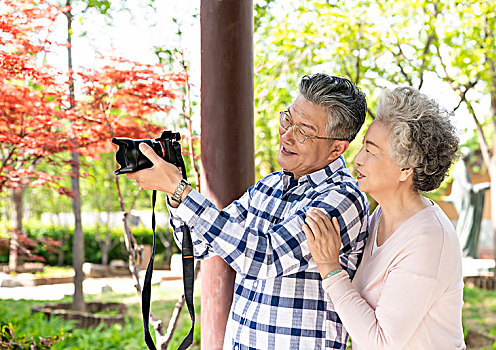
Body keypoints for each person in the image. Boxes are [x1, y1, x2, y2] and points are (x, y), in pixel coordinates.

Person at [127, 73, 369, 349]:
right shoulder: (269, 187)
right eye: (288, 120)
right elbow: (200, 245)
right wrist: (175, 194)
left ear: (336, 149)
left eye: (303, 132)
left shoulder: (341, 199)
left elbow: (263, 258)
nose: (286, 136)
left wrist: (181, 191)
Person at [303, 86, 466, 349]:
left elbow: (381, 342)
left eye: (371, 151)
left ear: (405, 168)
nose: (357, 159)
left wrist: (330, 268)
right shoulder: (379, 215)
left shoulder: (428, 240)